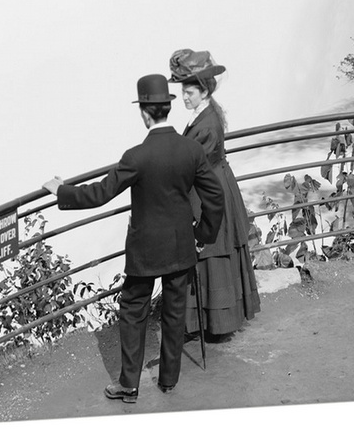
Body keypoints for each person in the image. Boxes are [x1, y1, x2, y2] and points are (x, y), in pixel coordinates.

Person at [42, 73, 224, 404]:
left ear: (143, 112)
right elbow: (215, 199)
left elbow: (99, 194)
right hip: (182, 242)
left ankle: (128, 384)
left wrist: (62, 191)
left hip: (145, 250)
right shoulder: (191, 150)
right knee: (174, 308)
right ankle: (169, 379)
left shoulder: (136, 156)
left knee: (133, 309)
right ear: (167, 108)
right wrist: (201, 235)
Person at [168, 48, 261, 338]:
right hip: (216, 181)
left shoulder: (205, 123)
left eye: (190, 92)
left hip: (208, 188)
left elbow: (193, 164)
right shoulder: (206, 113)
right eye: (183, 90)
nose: (185, 97)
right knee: (214, 251)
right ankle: (213, 320)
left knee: (212, 250)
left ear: (204, 90)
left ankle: (215, 323)